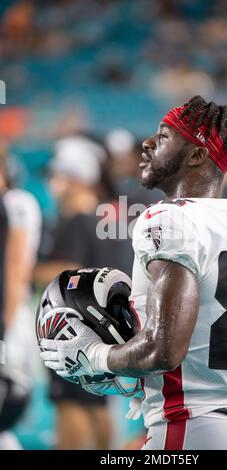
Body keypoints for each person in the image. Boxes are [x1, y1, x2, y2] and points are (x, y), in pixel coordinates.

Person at [40, 96, 227, 450]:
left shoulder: (168, 218)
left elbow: (164, 350)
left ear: (197, 155)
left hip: (190, 429)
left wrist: (94, 356)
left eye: (165, 136)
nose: (148, 143)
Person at [35, 134, 114, 450]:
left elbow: (69, 274)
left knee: (71, 404)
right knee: (96, 404)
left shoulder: (75, 222)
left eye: (60, 174)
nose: (54, 181)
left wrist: (25, 269)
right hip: (100, 329)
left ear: (78, 177)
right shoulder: (105, 219)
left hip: (73, 329)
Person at [0, 151, 42, 450]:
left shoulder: (16, 202)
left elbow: (16, 267)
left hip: (10, 311)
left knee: (8, 394)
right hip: (12, 308)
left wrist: (6, 322)